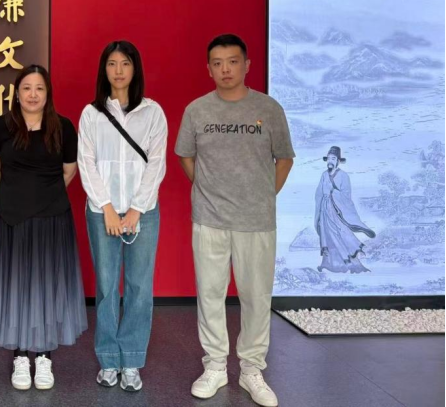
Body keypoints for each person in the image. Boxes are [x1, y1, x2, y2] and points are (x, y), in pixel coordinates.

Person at [175, 34, 294, 407]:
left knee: (256, 297)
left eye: (232, 61)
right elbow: (186, 156)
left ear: (247, 65)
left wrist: (262, 196)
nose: (225, 69)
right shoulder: (197, 110)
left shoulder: (268, 109)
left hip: (256, 220)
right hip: (209, 218)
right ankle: (214, 366)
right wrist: (208, 190)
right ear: (208, 68)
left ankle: (251, 369)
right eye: (217, 63)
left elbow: (284, 159)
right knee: (210, 294)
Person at [0, 65, 87, 391]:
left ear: (47, 93)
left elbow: (69, 171)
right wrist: (19, 198)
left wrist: (42, 197)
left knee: (46, 286)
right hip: (13, 218)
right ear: (17, 92)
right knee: (17, 286)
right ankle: (20, 358)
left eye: (39, 88)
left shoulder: (63, 127)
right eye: (27, 88)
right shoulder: (2, 126)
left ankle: (43, 358)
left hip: (51, 218)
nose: (33, 94)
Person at [77, 41, 167, 392]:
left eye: (125, 63)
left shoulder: (153, 112)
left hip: (143, 211)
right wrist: (108, 208)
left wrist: (136, 209)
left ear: (135, 69)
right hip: (102, 212)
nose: (118, 70)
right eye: (112, 63)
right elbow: (87, 162)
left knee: (139, 287)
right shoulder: (92, 113)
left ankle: (131, 359)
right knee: (106, 286)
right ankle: (108, 360)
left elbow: (156, 163)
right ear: (104, 69)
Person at [315, 146, 376, 273]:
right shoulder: (324, 175)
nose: (330, 161)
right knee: (328, 236)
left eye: (333, 158)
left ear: (338, 161)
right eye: (328, 159)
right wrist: (320, 210)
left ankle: (351, 264)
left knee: (342, 234)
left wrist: (333, 192)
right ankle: (331, 264)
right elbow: (318, 193)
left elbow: (346, 196)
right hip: (325, 210)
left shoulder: (343, 176)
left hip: (337, 211)